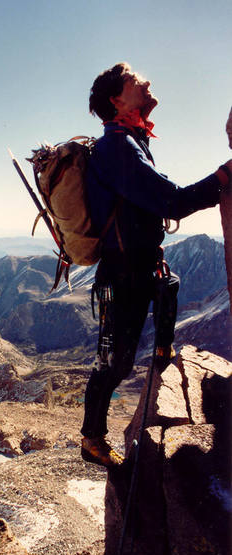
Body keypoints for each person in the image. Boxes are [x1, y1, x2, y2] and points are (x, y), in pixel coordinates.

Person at [81, 62, 232, 468]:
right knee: (116, 362)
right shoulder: (117, 147)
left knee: (170, 286)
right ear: (117, 99)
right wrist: (224, 175)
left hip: (141, 265)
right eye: (135, 80)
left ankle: (164, 352)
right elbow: (173, 201)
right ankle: (91, 439)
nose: (146, 82)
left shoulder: (130, 141)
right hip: (123, 273)